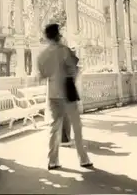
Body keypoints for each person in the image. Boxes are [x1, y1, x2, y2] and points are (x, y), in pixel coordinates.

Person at [37, 23, 93, 170]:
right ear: (58, 35)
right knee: (77, 126)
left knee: (54, 127)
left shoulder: (42, 55)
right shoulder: (65, 51)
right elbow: (74, 69)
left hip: (53, 94)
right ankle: (83, 158)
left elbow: (42, 74)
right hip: (67, 92)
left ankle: (52, 160)